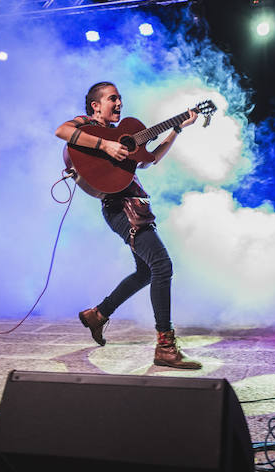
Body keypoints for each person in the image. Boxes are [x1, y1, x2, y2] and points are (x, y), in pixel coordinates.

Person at [55, 81, 202, 369]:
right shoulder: (87, 125)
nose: (119, 103)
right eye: (113, 99)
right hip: (120, 208)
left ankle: (98, 314)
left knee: (146, 271)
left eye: (120, 98)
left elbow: (152, 158)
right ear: (96, 105)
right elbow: (62, 131)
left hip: (135, 205)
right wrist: (105, 145)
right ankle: (165, 347)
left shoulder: (126, 133)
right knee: (162, 266)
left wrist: (178, 128)